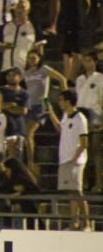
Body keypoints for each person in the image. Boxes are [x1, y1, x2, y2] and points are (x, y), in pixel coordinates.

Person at [46, 89, 91, 229]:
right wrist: (51, 113)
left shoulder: (80, 118)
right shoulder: (66, 116)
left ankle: (86, 223)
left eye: (61, 100)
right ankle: (74, 222)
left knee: (77, 192)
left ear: (68, 101)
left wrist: (74, 158)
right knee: (70, 192)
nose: (59, 102)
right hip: (64, 159)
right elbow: (61, 129)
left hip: (75, 161)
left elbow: (84, 143)